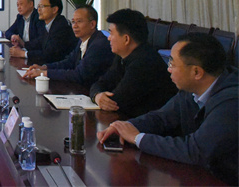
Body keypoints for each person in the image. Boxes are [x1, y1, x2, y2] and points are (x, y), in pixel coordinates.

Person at [98, 33, 237, 185]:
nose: (168, 69)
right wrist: (125, 127)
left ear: (196, 72)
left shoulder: (231, 102)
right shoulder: (191, 89)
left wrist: (138, 138)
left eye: (172, 64)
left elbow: (195, 150)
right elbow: (161, 117)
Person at [90, 8, 177, 117]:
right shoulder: (122, 55)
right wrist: (97, 96)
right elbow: (101, 83)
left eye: (111, 33)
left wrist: (99, 96)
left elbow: (115, 103)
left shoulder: (145, 63)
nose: (109, 38)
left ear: (126, 39)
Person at [23, 5, 113, 87]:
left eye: (79, 21)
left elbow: (79, 75)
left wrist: (44, 73)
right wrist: (44, 67)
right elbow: (69, 62)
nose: (75, 26)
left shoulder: (99, 44)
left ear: (92, 24)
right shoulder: (83, 40)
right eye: (73, 22)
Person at [9, 0, 75, 65]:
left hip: (61, 68)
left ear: (54, 9)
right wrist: (22, 44)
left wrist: (23, 53)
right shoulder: (48, 25)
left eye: (42, 6)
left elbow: (50, 54)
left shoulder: (61, 26)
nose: (39, 10)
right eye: (38, 6)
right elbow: (40, 43)